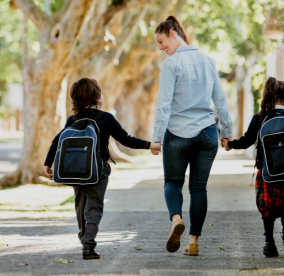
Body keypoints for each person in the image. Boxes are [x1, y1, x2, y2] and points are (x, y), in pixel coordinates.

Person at [43, 78, 162, 260]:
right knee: (94, 207)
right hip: (98, 171)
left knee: (80, 206)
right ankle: (88, 245)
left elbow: (57, 140)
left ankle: (84, 239)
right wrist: (150, 145)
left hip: (77, 170)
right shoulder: (106, 118)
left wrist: (48, 163)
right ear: (97, 97)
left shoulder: (73, 119)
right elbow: (126, 139)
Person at [151, 16, 232, 256]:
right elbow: (220, 100)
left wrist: (156, 138)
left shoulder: (171, 64)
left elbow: (164, 104)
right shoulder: (208, 61)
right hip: (207, 132)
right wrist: (226, 133)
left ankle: (176, 219)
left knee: (173, 182)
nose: (160, 47)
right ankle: (193, 241)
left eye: (161, 40)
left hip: (177, 134)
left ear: (173, 33)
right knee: (199, 189)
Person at [225, 77, 284, 257]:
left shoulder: (260, 118)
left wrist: (230, 144)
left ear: (267, 96)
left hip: (268, 172)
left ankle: (269, 243)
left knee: (267, 208)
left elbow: (245, 142)